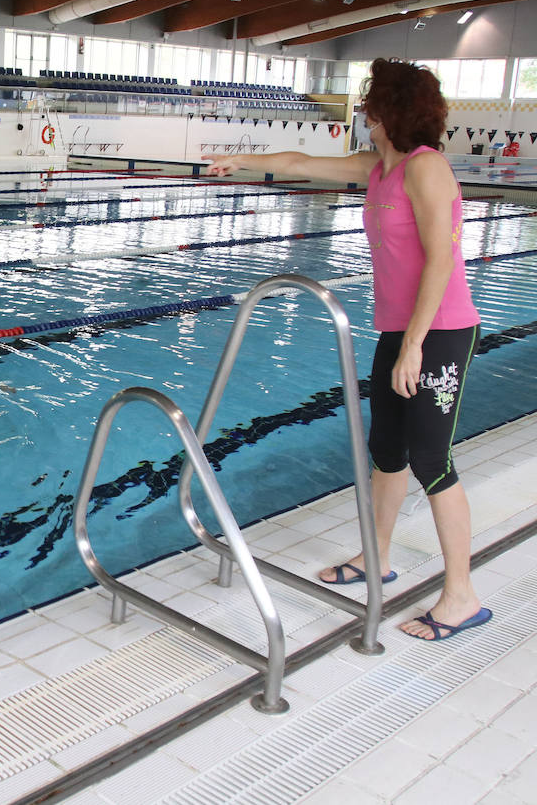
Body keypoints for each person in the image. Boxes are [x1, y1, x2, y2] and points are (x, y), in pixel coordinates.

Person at [205, 58, 491, 642]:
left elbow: (442, 258)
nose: (363, 113)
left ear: (389, 113)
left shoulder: (425, 168)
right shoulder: (380, 168)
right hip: (400, 330)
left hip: (438, 332)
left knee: (432, 459)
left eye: (369, 105)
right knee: (386, 451)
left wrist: (415, 344)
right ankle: (375, 557)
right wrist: (242, 161)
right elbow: (302, 162)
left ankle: (461, 595)